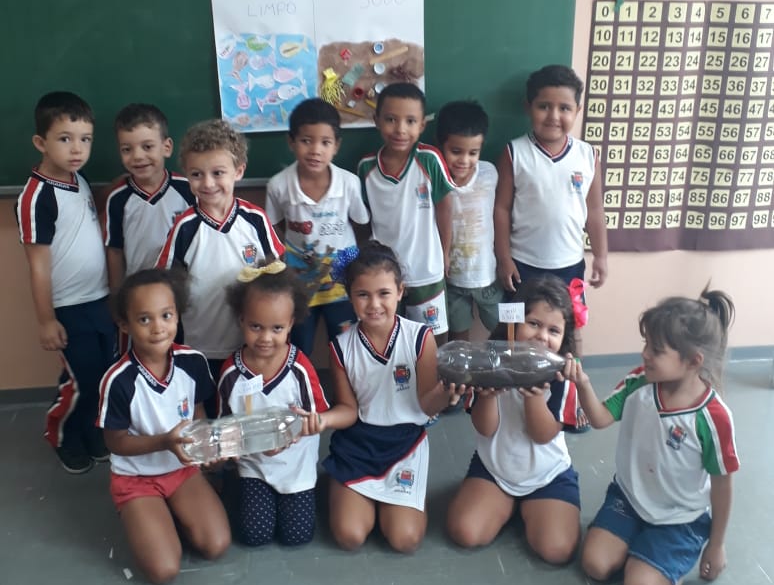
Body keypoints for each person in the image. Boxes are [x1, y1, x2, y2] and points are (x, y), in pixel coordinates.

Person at [564, 287, 739, 585]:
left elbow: (722, 484)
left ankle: (667, 555)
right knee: (595, 565)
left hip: (680, 517)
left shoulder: (713, 416)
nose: (645, 354)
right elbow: (600, 418)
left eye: (656, 350)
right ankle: (642, 549)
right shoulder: (639, 382)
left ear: (693, 361)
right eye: (646, 343)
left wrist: (717, 545)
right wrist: (583, 384)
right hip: (629, 498)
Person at [317, 241, 460, 553]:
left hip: (405, 443)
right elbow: (348, 410)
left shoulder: (420, 337)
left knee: (404, 540)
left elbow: (426, 404)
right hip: (357, 445)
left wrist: (447, 394)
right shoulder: (341, 346)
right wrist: (321, 420)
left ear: (400, 291)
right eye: (362, 295)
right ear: (349, 296)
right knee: (350, 536)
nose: (374, 304)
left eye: (383, 293)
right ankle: (345, 487)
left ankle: (381, 497)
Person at [98, 268, 231, 585]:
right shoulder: (117, 380)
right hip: (136, 478)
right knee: (163, 571)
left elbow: (197, 415)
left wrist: (207, 451)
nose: (158, 328)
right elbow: (115, 442)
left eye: (166, 315)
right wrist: (165, 442)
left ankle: (169, 514)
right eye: (144, 319)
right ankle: (145, 513)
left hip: (181, 470)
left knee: (216, 545)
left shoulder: (193, 362)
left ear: (178, 316)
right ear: (125, 325)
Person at [446, 275, 581, 564]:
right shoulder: (489, 362)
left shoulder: (562, 375)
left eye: (553, 330)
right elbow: (485, 428)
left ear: (563, 337)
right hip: (495, 468)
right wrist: (487, 396)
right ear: (514, 321)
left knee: (556, 550)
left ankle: (534, 508)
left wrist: (534, 396)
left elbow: (542, 435)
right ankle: (504, 504)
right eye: (533, 323)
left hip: (547, 474)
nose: (542, 336)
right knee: (464, 532)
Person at [16, 91, 116, 474]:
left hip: (99, 299)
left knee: (100, 375)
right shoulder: (36, 196)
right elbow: (38, 267)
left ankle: (90, 433)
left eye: (85, 139)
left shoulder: (79, 179)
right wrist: (46, 320)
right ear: (41, 142)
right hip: (69, 307)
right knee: (79, 381)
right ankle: (62, 437)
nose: (77, 149)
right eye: (65, 139)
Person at [156, 119, 284, 383]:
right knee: (209, 405)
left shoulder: (255, 219)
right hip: (199, 344)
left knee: (243, 404)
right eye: (196, 174)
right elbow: (165, 285)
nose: (207, 183)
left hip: (250, 344)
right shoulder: (184, 227)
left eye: (217, 173)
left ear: (238, 171)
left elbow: (276, 274)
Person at [493, 64, 608, 350]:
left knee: (569, 329)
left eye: (564, 108)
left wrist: (601, 256)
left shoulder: (588, 155)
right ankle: (514, 377)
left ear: (577, 111)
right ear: (528, 107)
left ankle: (570, 376)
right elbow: (501, 209)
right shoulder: (514, 152)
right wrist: (504, 258)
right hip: (522, 265)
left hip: (569, 266)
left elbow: (595, 211)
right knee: (514, 328)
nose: (554, 116)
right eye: (544, 106)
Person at [218, 262, 329, 547]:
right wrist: (232, 448)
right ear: (241, 320)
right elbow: (225, 426)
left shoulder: (300, 368)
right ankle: (241, 490)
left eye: (277, 328)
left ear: (291, 324)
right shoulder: (231, 372)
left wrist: (298, 429)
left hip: (295, 465)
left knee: (296, 536)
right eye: (256, 326)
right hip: (254, 465)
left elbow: (318, 416)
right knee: (255, 535)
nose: (266, 338)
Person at [265, 97, 369, 357]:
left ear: (336, 146)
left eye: (325, 142)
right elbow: (274, 226)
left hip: (342, 284)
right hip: (299, 285)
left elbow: (361, 225)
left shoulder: (349, 184)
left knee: (346, 346)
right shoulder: (278, 185)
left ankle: (346, 384)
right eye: (306, 141)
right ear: (291, 142)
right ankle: (303, 383)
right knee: (299, 347)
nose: (315, 150)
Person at [358, 83, 453, 343]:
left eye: (410, 121)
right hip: (382, 273)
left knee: (433, 340)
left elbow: (445, 209)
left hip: (426, 269)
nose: (400, 129)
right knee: (387, 337)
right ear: (376, 120)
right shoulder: (366, 167)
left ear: (422, 125)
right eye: (391, 119)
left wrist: (445, 253)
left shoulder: (429, 159)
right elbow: (363, 220)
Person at [104, 103, 194, 291]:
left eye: (147, 146)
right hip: (137, 291)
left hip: (182, 289)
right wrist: (116, 294)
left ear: (166, 147)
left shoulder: (188, 189)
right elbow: (115, 251)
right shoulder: (118, 198)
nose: (137, 156)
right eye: (127, 149)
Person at [436, 100, 504, 342]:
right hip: (452, 279)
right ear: (440, 145)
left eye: (473, 153)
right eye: (456, 151)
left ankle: (501, 367)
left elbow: (502, 214)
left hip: (488, 274)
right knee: (458, 337)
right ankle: (462, 368)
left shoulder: (489, 173)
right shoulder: (434, 178)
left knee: (504, 332)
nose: (464, 160)